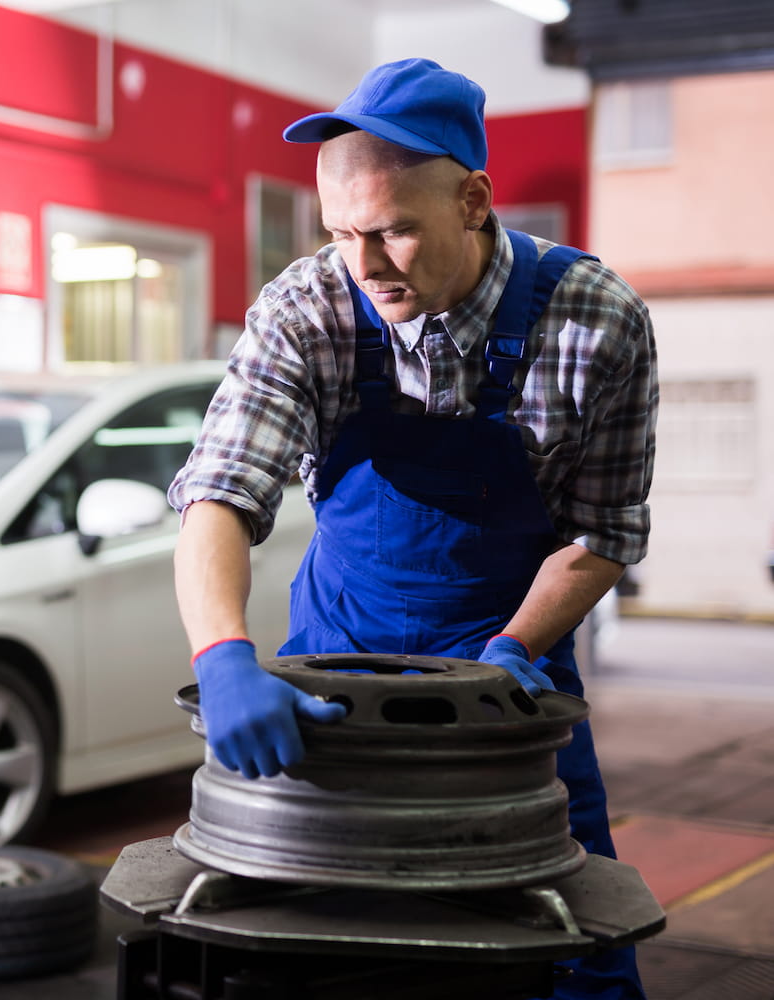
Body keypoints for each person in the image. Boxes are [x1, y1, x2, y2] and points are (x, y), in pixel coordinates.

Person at [168, 58, 656, 1000]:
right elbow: (221, 491)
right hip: (331, 689)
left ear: (474, 202)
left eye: (395, 231)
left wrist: (516, 647)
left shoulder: (596, 322)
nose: (366, 265)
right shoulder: (306, 309)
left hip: (511, 693)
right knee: (316, 955)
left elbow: (603, 531)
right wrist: (224, 653)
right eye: (343, 233)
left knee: (570, 955)